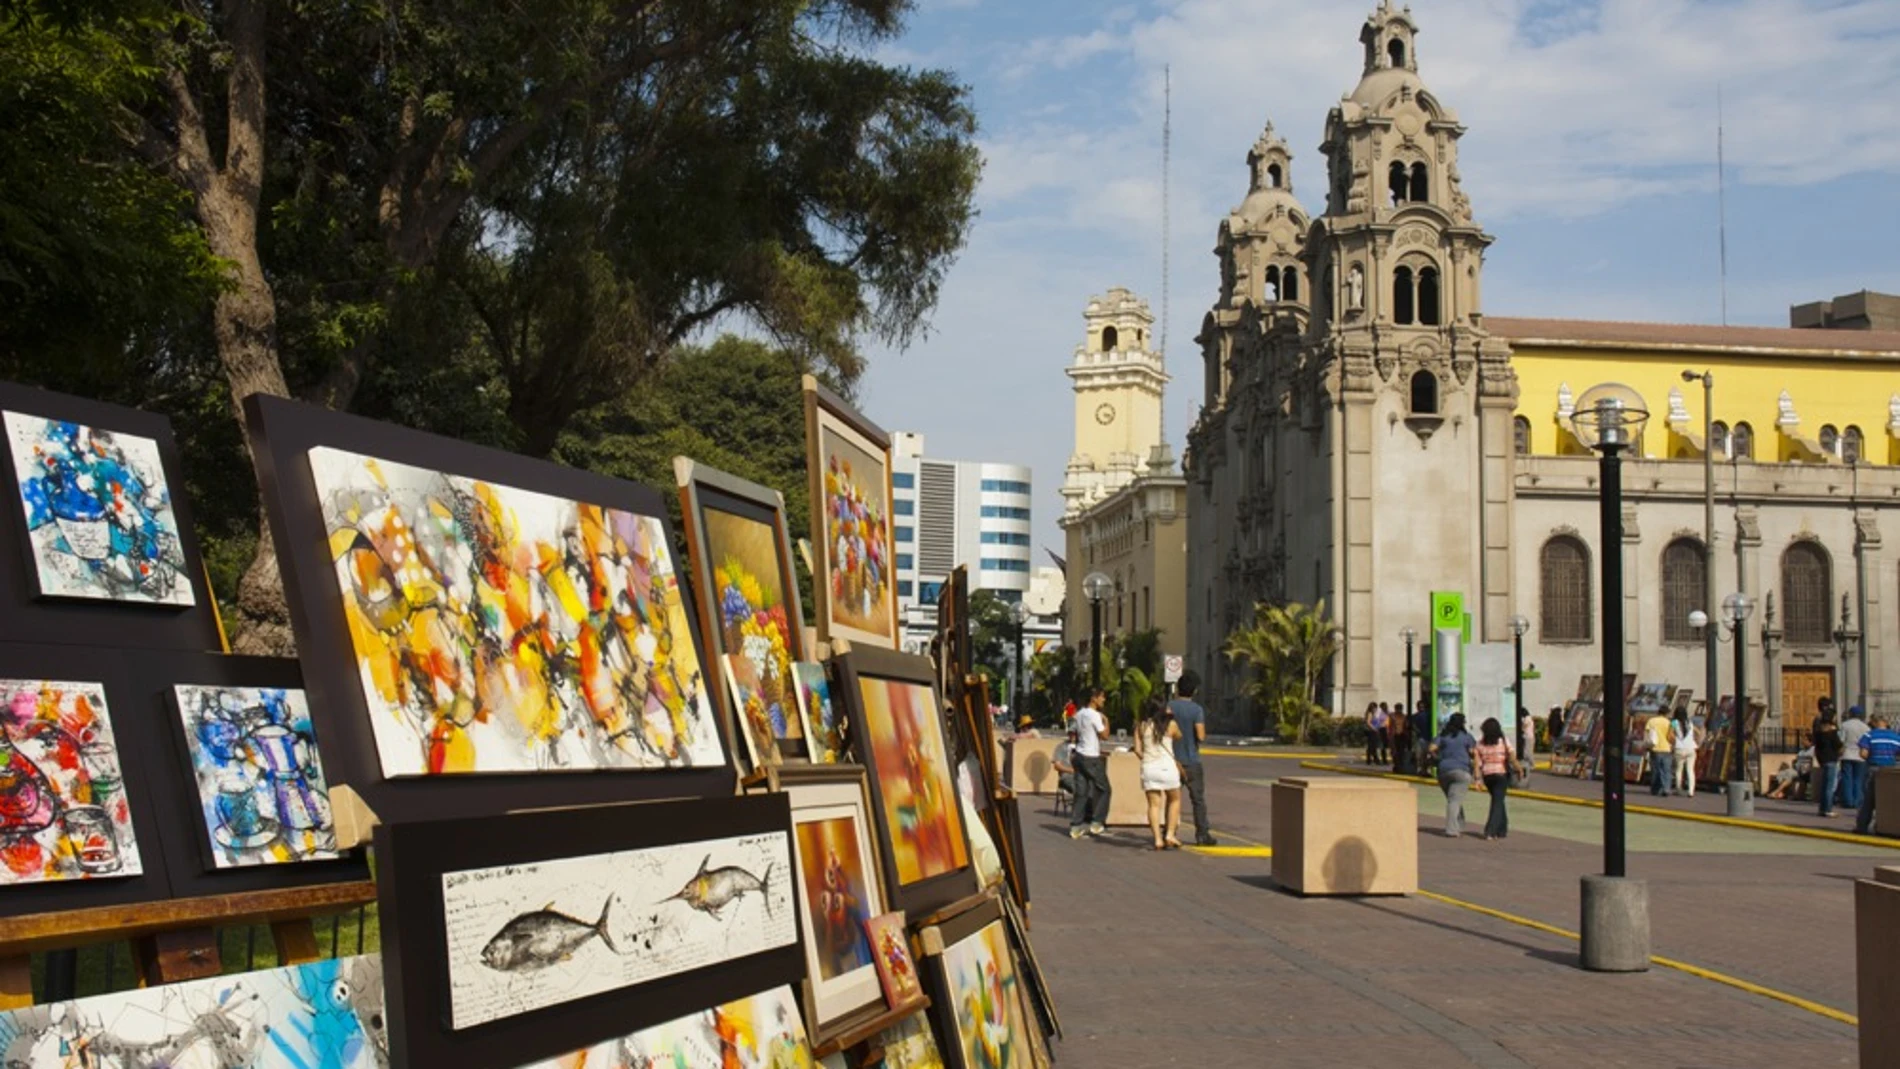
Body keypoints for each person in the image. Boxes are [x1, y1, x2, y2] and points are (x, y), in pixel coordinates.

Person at [1169, 671, 1215, 846]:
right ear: (1194, 690)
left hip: (1172, 759)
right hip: (1191, 760)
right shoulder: (1197, 710)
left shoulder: (1169, 706)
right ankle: (1202, 834)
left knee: (1172, 798)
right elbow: (1201, 735)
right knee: (1197, 799)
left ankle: (1170, 831)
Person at [1135, 697, 1183, 850]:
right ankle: (1169, 834)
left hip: (1149, 767)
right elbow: (1179, 736)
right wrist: (1170, 716)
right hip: (1167, 768)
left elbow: (1137, 749)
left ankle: (1157, 839)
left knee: (1154, 805)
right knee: (1174, 799)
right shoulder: (1171, 725)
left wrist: (1146, 759)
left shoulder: (1141, 726)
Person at [1067, 689, 1111, 839]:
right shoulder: (1095, 715)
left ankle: (1076, 826)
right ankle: (1097, 823)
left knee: (1082, 792)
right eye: (1102, 697)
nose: (1103, 700)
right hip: (1091, 756)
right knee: (1104, 788)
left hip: (1079, 755)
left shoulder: (1079, 714)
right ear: (1094, 698)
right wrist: (1106, 721)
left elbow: (1076, 734)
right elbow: (1104, 735)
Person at [1427, 713, 1479, 838]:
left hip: (1444, 771)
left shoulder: (1443, 736)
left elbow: (1431, 748)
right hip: (1462, 771)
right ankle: (1451, 829)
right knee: (1454, 800)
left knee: (1453, 798)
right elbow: (1474, 753)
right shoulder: (1466, 737)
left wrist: (1438, 758)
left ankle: (1459, 824)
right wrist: (1476, 772)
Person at [1474, 717, 1524, 841]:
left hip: (1487, 776)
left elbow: (1477, 764)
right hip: (1501, 774)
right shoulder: (1503, 741)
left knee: (1498, 800)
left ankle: (1502, 829)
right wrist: (1519, 769)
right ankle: (1490, 830)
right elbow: (1512, 757)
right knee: (1497, 802)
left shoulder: (1479, 743)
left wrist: (1477, 779)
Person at [1854, 715, 1899, 836]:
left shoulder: (1869, 735)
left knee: (1868, 799)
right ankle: (1884, 825)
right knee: (1886, 800)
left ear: (1874, 723)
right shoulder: (1895, 736)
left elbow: (1863, 754)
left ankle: (1862, 826)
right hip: (1889, 770)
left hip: (1873, 768)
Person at [1812, 699, 1844, 818]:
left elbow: (1816, 744)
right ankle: (1828, 809)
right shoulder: (1832, 733)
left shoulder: (1819, 732)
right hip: (1831, 759)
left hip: (1822, 759)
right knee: (1830, 786)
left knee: (1825, 785)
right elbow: (1839, 747)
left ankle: (1822, 808)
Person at [1839, 705, 1870, 811]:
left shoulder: (1845, 725)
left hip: (1847, 754)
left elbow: (1841, 740)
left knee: (1847, 778)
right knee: (1858, 779)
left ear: (1850, 714)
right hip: (1860, 755)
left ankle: (1848, 801)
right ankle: (1857, 801)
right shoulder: (1865, 727)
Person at [1645, 706, 1675, 797]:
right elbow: (1670, 737)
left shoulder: (1651, 721)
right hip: (1666, 748)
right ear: (1666, 713)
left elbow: (1647, 734)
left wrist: (1647, 746)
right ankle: (1666, 788)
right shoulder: (1669, 722)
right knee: (1666, 770)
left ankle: (1655, 789)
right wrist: (1673, 743)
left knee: (1655, 769)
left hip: (1655, 748)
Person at [1672, 710, 1700, 798]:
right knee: (1690, 770)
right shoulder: (1690, 723)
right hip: (1691, 748)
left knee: (1679, 769)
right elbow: (1698, 732)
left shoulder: (1674, 722)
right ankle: (1691, 791)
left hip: (1679, 748)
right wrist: (1695, 741)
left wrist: (1674, 742)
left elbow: (1670, 733)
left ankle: (1678, 789)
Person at [1051, 728, 1077, 801]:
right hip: (1067, 776)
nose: (1073, 735)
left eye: (1075, 733)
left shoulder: (1083, 747)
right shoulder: (1061, 747)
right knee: (1079, 788)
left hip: (1081, 776)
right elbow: (1057, 766)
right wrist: (1071, 770)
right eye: (1071, 733)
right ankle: (1080, 809)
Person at [1391, 702, 1412, 774]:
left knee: (1398, 752)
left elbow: (1406, 725)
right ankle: (1398, 766)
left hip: (1399, 735)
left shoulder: (1396, 716)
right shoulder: (1400, 716)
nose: (1399, 710)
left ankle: (1399, 766)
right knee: (1398, 752)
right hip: (1397, 735)